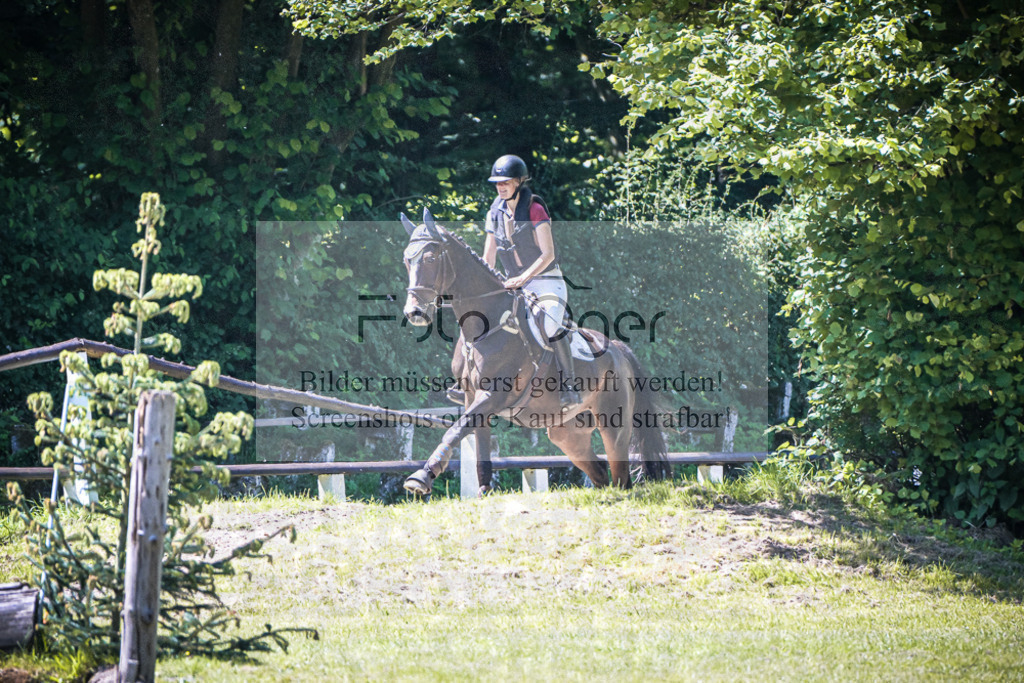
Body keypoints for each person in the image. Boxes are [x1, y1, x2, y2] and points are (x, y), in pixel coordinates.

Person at [482, 153, 581, 412]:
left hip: (546, 282)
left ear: (519, 181)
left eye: (505, 182)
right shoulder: (495, 211)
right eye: (497, 183)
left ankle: (570, 386)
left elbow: (548, 254)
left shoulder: (535, 209)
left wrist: (523, 279)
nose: (500, 186)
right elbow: (488, 257)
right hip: (513, 283)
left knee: (548, 322)